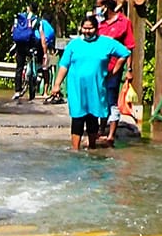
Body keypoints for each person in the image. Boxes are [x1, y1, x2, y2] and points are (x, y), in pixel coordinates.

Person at [49, 13, 115, 151]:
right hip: (77, 89)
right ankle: (75, 149)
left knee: (92, 118)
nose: (87, 31)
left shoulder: (105, 42)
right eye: (84, 28)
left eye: (90, 28)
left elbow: (124, 53)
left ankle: (92, 147)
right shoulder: (74, 45)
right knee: (77, 118)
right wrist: (56, 85)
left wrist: (114, 71)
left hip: (95, 89)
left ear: (96, 28)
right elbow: (63, 66)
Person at [94, 0, 135, 138]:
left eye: (99, 7)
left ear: (105, 8)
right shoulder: (98, 24)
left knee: (111, 98)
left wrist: (129, 70)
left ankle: (111, 134)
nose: (96, 10)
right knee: (99, 98)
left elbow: (129, 47)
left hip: (114, 68)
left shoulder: (124, 23)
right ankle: (100, 128)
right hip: (97, 69)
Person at [10, 5, 41, 95]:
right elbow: (39, 33)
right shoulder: (36, 19)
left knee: (19, 67)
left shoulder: (20, 17)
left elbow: (13, 29)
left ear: (28, 8)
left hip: (19, 44)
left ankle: (17, 90)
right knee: (32, 61)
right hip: (29, 44)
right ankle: (33, 81)